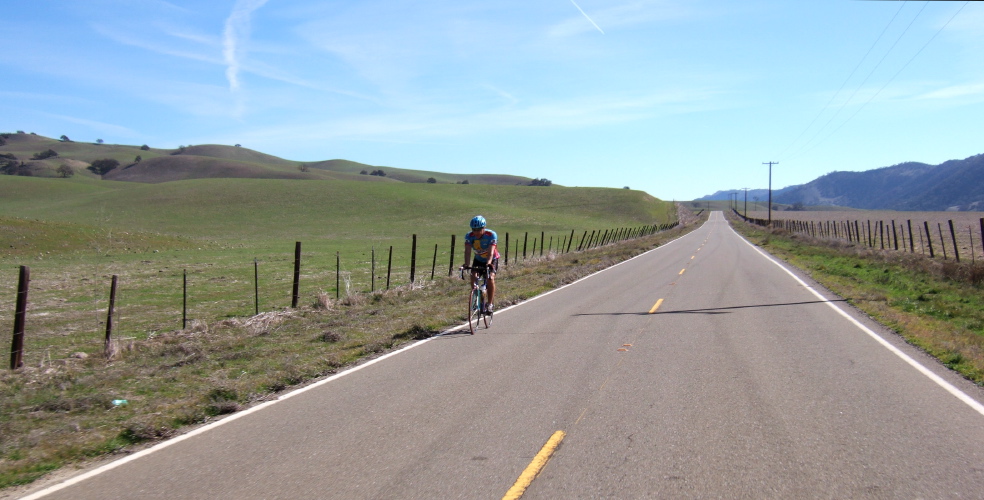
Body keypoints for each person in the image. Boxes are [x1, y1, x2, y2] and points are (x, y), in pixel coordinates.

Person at [462, 215, 499, 314]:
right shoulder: (469, 236)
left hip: (492, 259)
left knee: (490, 278)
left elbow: (491, 252)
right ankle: (476, 299)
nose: (476, 232)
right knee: (473, 276)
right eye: (474, 229)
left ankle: (490, 304)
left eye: (479, 229)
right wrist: (466, 264)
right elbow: (468, 251)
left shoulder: (491, 235)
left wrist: (488, 263)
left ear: (484, 228)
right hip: (478, 259)